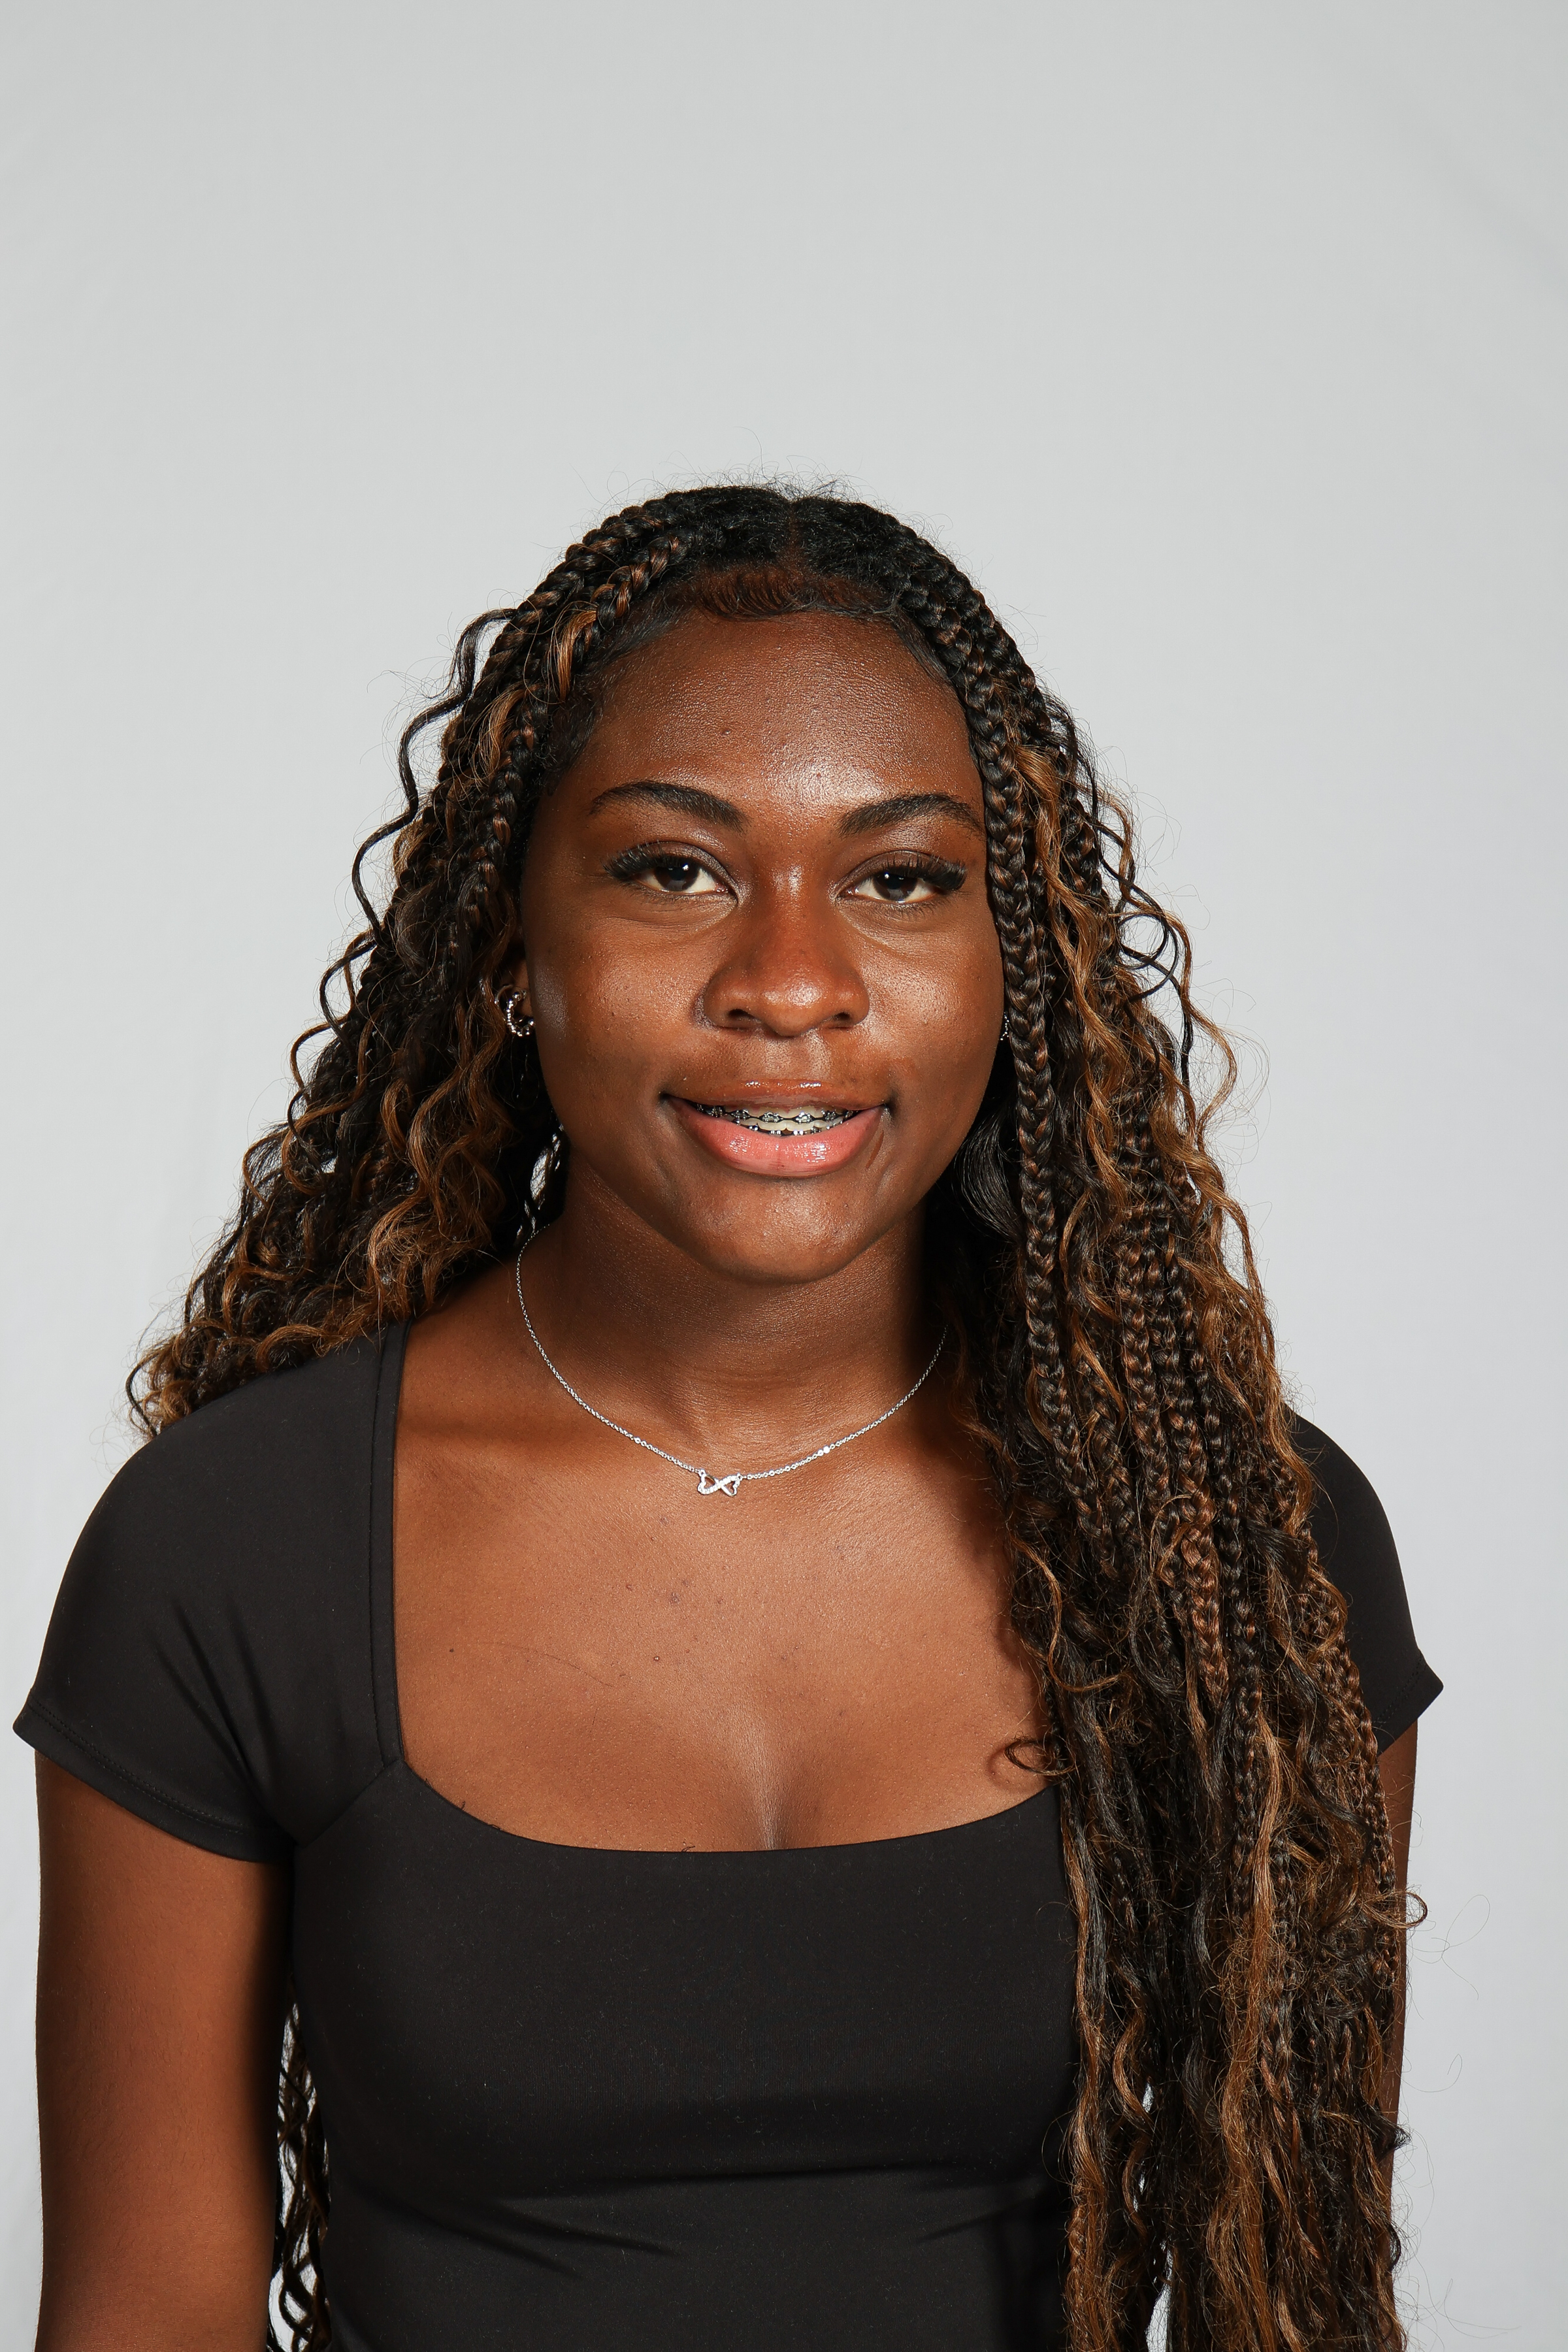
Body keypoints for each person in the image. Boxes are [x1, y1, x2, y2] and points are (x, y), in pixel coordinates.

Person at [18, 485, 1440, 2352]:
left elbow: (1298, 2292)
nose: (792, 985)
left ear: (1016, 962)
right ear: (512, 945)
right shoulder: (237, 1551)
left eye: (901, 879)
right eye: (673, 870)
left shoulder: (1232, 1536)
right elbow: (147, 2316)